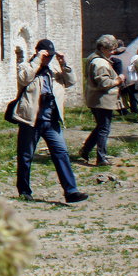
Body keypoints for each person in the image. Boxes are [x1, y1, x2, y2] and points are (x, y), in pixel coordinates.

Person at [11, 38, 88, 203]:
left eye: (51, 55)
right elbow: (24, 79)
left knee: (61, 153)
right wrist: (38, 60)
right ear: (38, 53)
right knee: (25, 156)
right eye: (47, 55)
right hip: (30, 119)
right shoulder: (26, 66)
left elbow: (71, 82)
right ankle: (24, 190)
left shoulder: (54, 69)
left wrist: (64, 63)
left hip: (51, 120)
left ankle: (71, 191)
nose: (49, 58)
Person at [80, 34, 124, 165]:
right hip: (102, 100)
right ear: (103, 49)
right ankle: (101, 157)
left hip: (96, 99)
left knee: (100, 127)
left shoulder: (93, 58)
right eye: (110, 50)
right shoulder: (100, 63)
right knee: (104, 128)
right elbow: (104, 83)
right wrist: (118, 80)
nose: (112, 52)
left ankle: (86, 150)